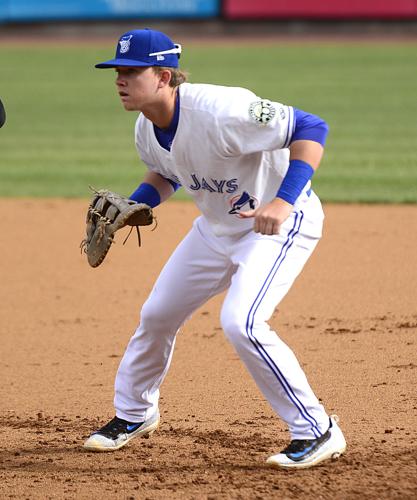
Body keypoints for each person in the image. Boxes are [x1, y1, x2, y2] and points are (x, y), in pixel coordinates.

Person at [83, 28, 347, 469]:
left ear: (164, 76)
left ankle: (316, 430)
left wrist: (282, 202)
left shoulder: (223, 110)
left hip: (277, 224)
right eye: (117, 71)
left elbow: (311, 126)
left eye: (131, 71)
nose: (120, 79)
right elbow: (168, 174)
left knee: (242, 322)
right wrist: (136, 204)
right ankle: (135, 413)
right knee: (157, 315)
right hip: (217, 228)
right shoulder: (146, 127)